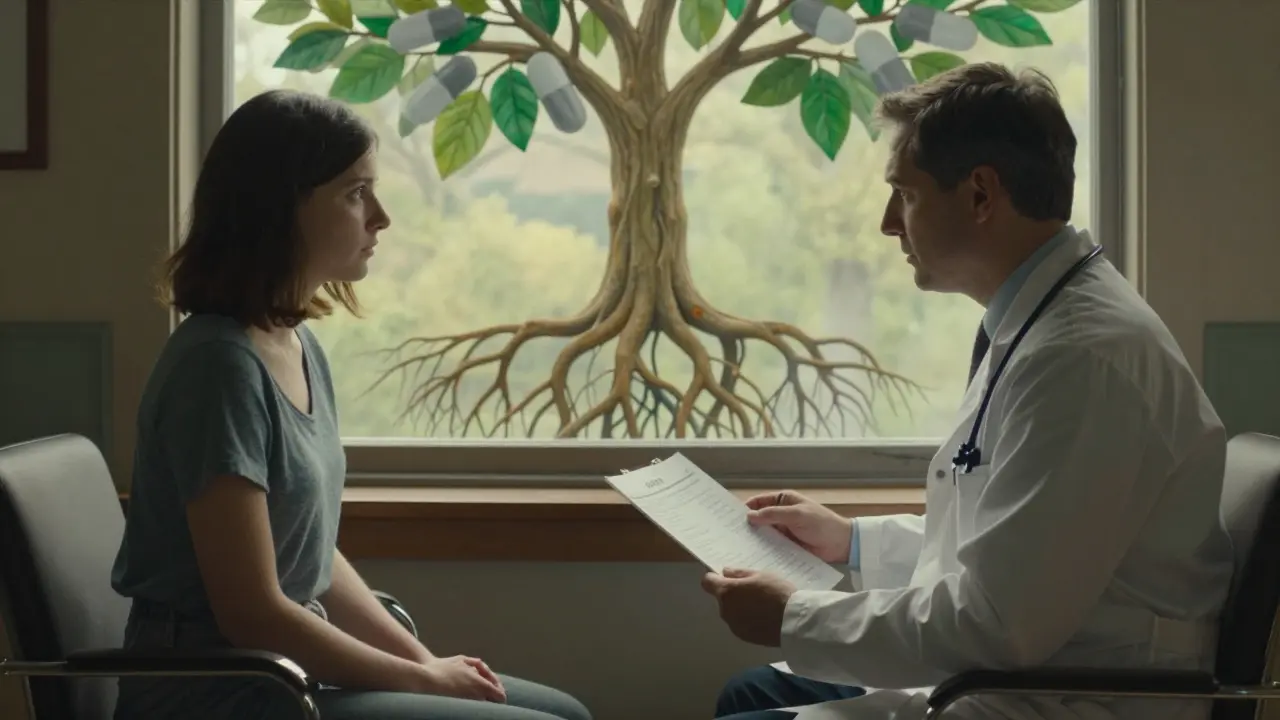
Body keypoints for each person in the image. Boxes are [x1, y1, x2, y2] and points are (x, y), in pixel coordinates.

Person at [701, 62, 1235, 720]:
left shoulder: (1081, 358)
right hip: (1025, 671)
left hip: (1069, 697)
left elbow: (998, 623)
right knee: (752, 692)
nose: (888, 222)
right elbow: (1011, 548)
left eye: (906, 194)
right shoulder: (1040, 323)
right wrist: (852, 542)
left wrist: (797, 617)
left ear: (981, 195)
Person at [109, 89, 592, 720]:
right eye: (356, 192)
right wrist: (421, 680)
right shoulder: (217, 368)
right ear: (281, 207)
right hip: (220, 691)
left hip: (284, 674)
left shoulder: (296, 344)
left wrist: (423, 663)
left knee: (568, 713)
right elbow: (253, 613)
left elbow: (311, 555)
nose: (381, 216)